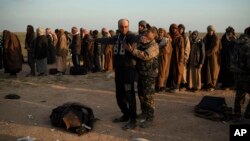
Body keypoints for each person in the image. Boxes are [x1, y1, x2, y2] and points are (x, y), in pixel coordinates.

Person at [96, 19, 138, 130]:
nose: (123, 29)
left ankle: (133, 120)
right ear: (118, 27)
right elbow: (106, 40)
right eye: (121, 27)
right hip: (119, 71)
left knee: (129, 95)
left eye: (126, 26)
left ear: (128, 26)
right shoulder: (117, 37)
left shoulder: (131, 36)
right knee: (119, 96)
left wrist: (143, 37)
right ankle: (126, 114)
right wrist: (94, 39)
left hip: (128, 71)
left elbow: (137, 38)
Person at [124, 27, 159, 128]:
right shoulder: (144, 45)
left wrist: (131, 50)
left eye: (148, 32)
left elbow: (145, 56)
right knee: (141, 94)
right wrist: (132, 50)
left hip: (149, 74)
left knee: (148, 96)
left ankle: (150, 118)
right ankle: (144, 112)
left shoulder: (154, 45)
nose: (146, 33)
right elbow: (137, 56)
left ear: (154, 35)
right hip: (141, 73)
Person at [233, 26, 250, 119]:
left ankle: (237, 114)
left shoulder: (237, 42)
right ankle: (248, 113)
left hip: (237, 73)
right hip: (247, 74)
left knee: (239, 94)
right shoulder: (248, 44)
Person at [202, 25, 221, 91]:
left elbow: (215, 48)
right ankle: (207, 84)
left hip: (214, 57)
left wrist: (207, 53)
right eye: (209, 30)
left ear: (213, 31)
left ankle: (213, 85)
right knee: (207, 70)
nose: (210, 32)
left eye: (211, 30)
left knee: (214, 71)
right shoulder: (205, 37)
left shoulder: (216, 38)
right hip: (206, 57)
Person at [167, 24, 185, 93]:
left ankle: (176, 87)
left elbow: (182, 49)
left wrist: (181, 59)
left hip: (177, 57)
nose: (173, 30)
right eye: (172, 29)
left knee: (177, 72)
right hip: (171, 57)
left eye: (175, 29)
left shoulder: (180, 38)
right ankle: (172, 86)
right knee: (171, 72)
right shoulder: (170, 37)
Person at [155, 28, 172, 92]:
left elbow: (167, 50)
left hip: (164, 58)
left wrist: (160, 50)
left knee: (163, 72)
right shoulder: (157, 40)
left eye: (161, 32)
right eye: (159, 32)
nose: (160, 33)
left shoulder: (166, 40)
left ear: (164, 33)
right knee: (157, 72)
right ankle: (157, 85)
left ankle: (162, 86)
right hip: (157, 58)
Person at [178, 24, 191, 90]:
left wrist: (185, 57)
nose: (180, 30)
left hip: (183, 57)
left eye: (181, 29)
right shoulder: (177, 36)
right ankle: (179, 84)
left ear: (183, 30)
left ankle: (183, 85)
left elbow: (187, 48)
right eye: (179, 29)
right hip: (177, 57)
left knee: (183, 71)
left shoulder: (185, 38)